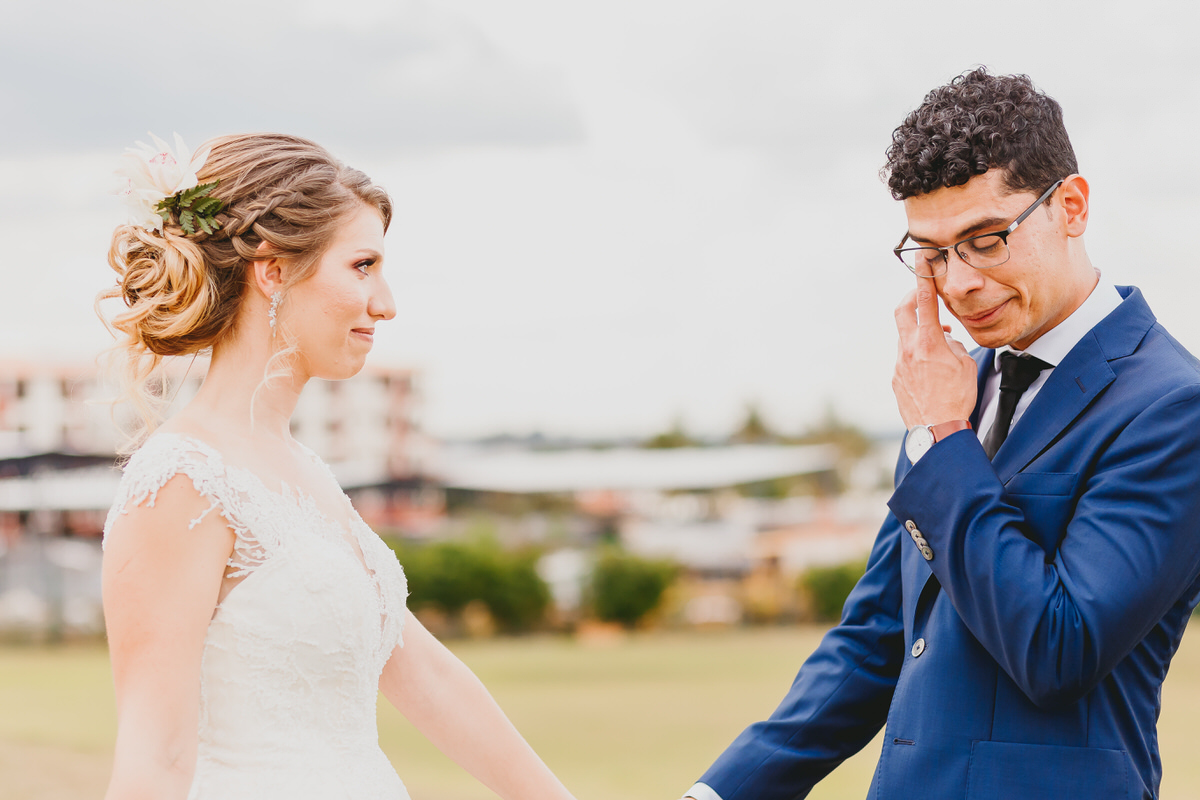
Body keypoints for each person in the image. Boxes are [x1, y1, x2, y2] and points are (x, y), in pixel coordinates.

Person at [682, 68, 1200, 800]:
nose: (956, 283)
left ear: (1072, 206)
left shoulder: (1174, 407)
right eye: (929, 251)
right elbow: (875, 641)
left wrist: (946, 436)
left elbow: (1059, 649)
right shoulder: (957, 385)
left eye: (985, 240)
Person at [99, 132, 577, 800]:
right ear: (273, 270)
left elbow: (428, 679)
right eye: (362, 266)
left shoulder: (306, 472)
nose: (385, 302)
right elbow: (158, 757)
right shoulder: (182, 480)